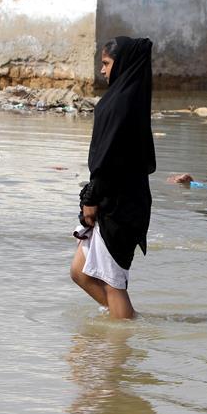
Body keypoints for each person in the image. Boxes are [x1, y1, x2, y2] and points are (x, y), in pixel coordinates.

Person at [70, 37, 155, 319]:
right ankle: (124, 323)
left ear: (123, 64)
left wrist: (91, 200)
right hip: (110, 197)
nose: (103, 71)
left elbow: (112, 160)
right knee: (80, 273)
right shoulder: (121, 97)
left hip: (121, 204)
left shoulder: (125, 104)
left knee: (112, 282)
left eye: (106, 63)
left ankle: (121, 349)